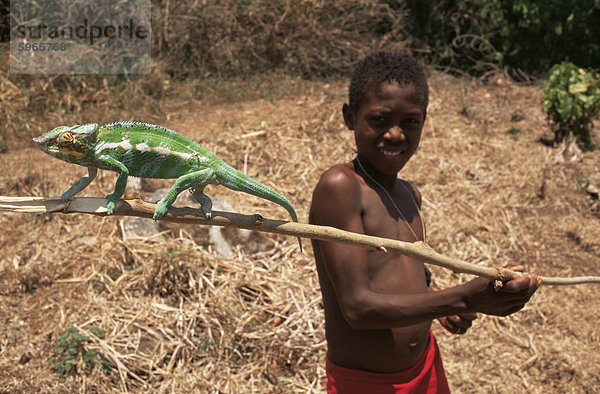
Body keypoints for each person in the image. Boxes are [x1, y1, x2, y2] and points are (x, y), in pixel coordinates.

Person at [309, 51, 542, 393]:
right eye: (379, 119)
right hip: (367, 385)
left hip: (425, 369)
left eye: (410, 122)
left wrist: (439, 305)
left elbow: (406, 278)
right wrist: (462, 299)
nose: (394, 134)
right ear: (349, 117)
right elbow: (357, 308)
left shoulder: (409, 195)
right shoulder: (341, 187)